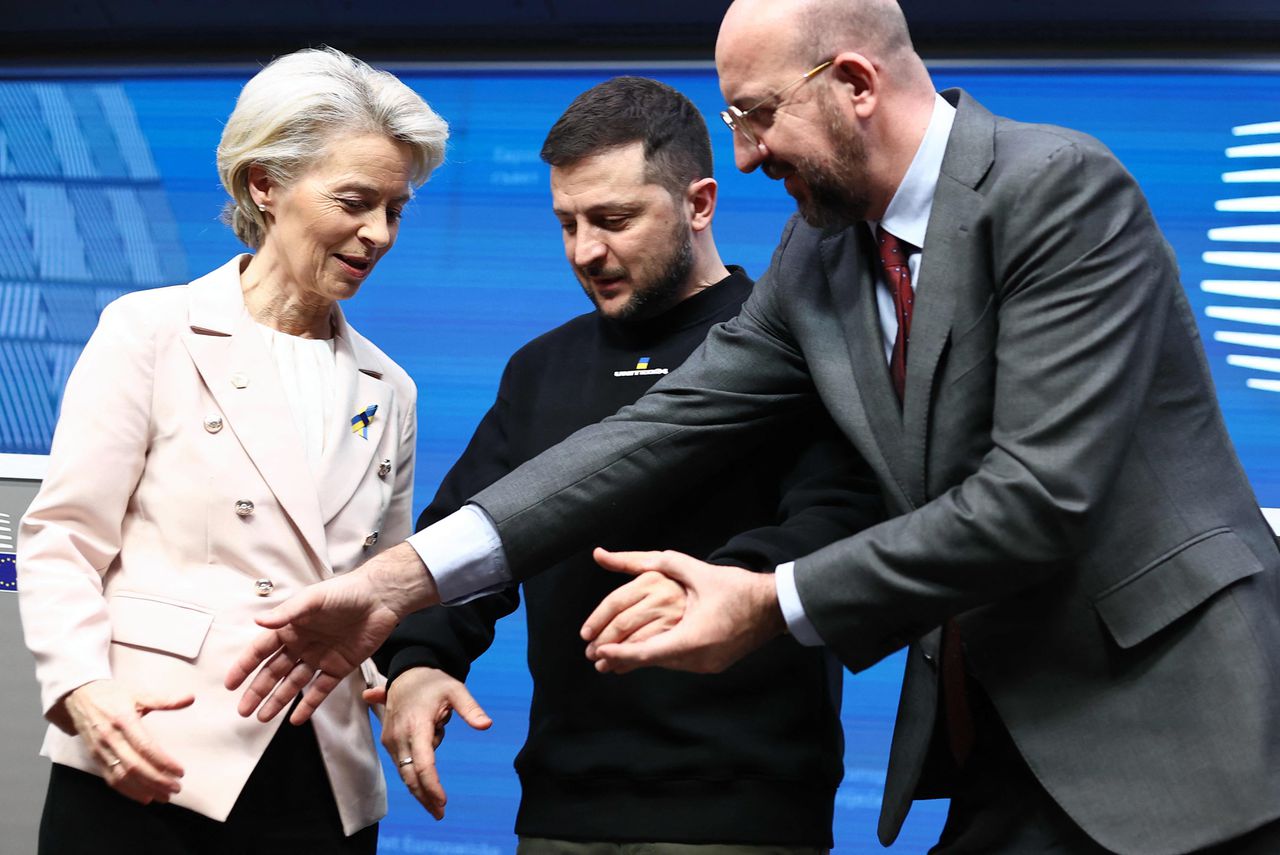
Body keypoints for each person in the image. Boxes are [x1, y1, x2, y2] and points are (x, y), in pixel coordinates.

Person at [228, 2, 1280, 853]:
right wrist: (393, 588)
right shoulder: (816, 261)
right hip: (1007, 723)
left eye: (755, 114)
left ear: (854, 87)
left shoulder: (1056, 189)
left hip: (1169, 716)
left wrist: (768, 599)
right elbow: (660, 427)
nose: (741, 155)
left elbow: (1037, 496)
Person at [371, 76, 876, 854]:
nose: (585, 251)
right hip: (558, 814)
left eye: (613, 220)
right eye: (567, 223)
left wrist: (715, 585)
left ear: (700, 203)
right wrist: (417, 661)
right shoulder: (539, 368)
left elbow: (839, 517)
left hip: (743, 813)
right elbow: (466, 531)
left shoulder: (790, 346)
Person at [18, 47, 447, 854]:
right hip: (149, 752)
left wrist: (398, 685)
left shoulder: (391, 388)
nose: (379, 233)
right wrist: (81, 686)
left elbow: (380, 581)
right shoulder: (150, 332)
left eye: (397, 208)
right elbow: (61, 539)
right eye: (356, 200)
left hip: (322, 769)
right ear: (265, 184)